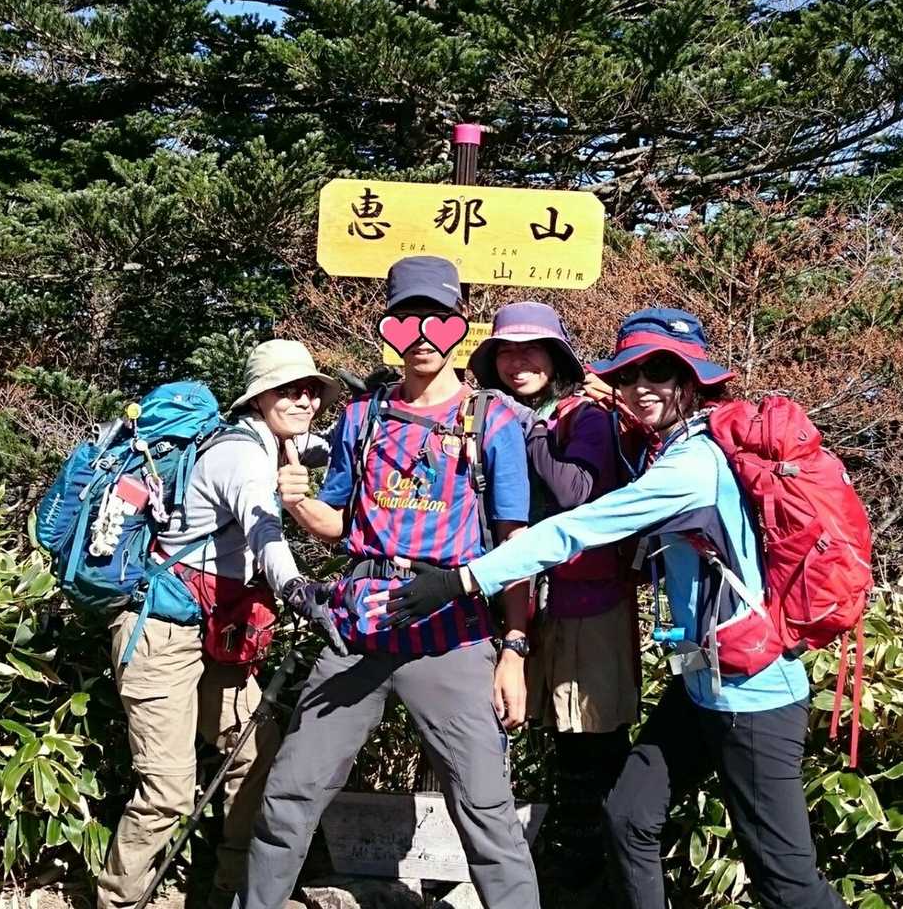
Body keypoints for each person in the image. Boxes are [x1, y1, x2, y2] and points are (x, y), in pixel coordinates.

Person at [387, 308, 847, 909]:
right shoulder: (668, 446)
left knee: (786, 884)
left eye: (660, 372)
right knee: (629, 815)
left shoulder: (692, 466)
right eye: (629, 375)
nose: (641, 386)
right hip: (704, 683)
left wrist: (465, 580)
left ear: (693, 381)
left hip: (754, 694)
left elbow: (578, 527)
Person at [237, 256, 541, 909]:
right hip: (358, 632)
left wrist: (515, 650)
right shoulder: (363, 416)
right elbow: (338, 525)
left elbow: (517, 547)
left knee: (487, 813)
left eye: (438, 320)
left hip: (452, 636)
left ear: (460, 325)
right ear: (388, 328)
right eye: (406, 320)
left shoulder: (493, 421)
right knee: (290, 795)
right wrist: (297, 501)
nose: (422, 335)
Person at [96, 340, 348, 909]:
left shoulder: (276, 441)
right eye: (289, 390)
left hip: (217, 627)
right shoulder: (241, 456)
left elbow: (326, 446)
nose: (304, 400)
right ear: (259, 398)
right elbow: (264, 529)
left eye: (311, 390)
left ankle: (233, 893)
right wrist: (295, 587)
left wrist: (377, 406)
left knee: (254, 757)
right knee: (167, 791)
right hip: (160, 629)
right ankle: (120, 900)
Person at [465, 302, 636, 894]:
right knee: (553, 739)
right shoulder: (495, 417)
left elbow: (576, 490)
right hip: (536, 602)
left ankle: (598, 874)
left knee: (588, 739)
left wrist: (531, 429)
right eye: (506, 352)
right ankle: (566, 867)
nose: (517, 362)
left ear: (557, 359)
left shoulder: (581, 417)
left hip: (589, 602)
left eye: (532, 350)